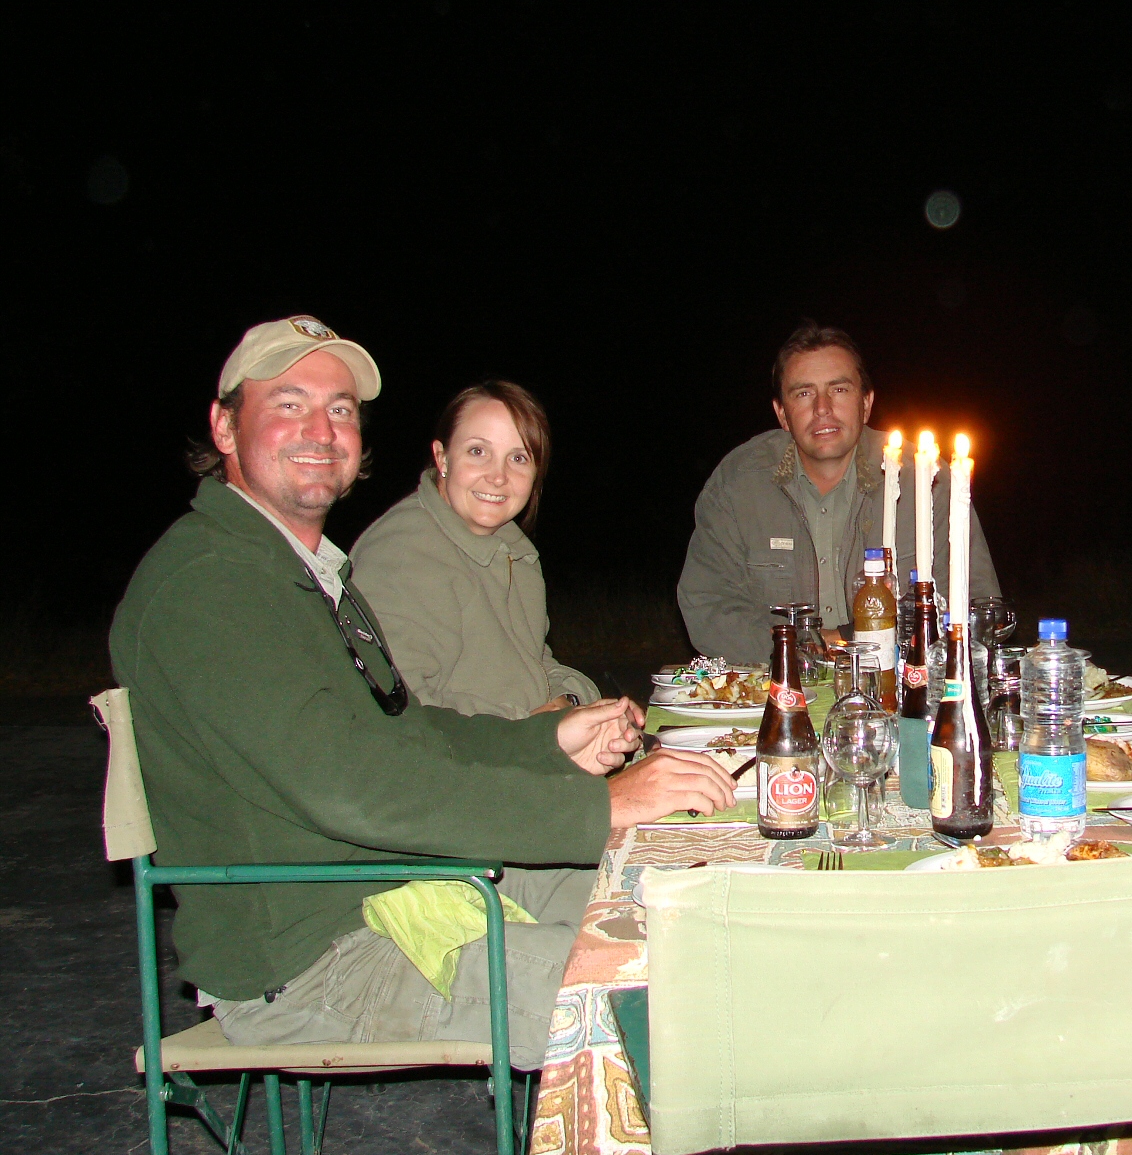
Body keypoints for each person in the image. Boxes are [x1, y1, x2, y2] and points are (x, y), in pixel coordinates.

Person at [110, 317, 735, 1068]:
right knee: (661, 985)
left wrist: (546, 739)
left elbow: (404, 731)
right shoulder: (209, 587)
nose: (320, 430)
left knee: (682, 897)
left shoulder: (304, 574)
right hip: (316, 957)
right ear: (224, 426)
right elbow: (355, 788)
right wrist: (600, 805)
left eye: (341, 409)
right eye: (289, 403)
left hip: (401, 880)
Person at [678, 321, 1001, 664]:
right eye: (803, 393)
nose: (822, 408)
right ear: (782, 414)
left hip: (898, 680)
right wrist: (804, 649)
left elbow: (978, 606)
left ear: (866, 403)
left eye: (840, 389)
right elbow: (706, 605)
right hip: (777, 681)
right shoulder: (738, 483)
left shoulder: (925, 479)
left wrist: (855, 638)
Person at [351, 381, 598, 720]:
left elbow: (537, 668)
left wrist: (573, 702)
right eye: (478, 452)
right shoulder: (402, 556)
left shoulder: (515, 554)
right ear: (442, 457)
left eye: (518, 458)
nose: (498, 476)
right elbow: (401, 708)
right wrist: (534, 728)